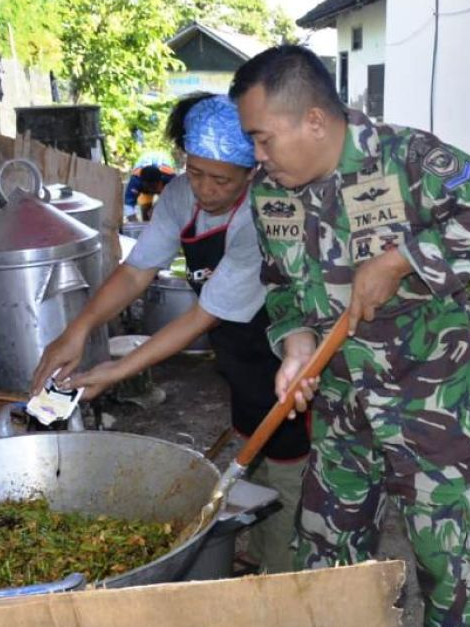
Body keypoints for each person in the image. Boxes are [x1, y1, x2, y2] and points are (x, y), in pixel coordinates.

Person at [230, 45, 470, 627]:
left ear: (313, 120)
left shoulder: (407, 160)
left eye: (262, 137)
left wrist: (401, 260)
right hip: (341, 419)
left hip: (431, 413)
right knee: (326, 560)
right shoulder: (267, 195)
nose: (257, 155)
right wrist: (296, 347)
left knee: (448, 569)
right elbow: (280, 287)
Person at [31, 93, 308, 574]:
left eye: (220, 179)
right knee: (251, 449)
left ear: (251, 172)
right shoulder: (182, 194)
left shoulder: (262, 215)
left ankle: (283, 572)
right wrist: (78, 329)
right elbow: (138, 270)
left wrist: (116, 370)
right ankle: (258, 556)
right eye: (195, 171)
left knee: (288, 466)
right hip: (238, 356)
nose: (204, 188)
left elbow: (204, 315)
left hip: (282, 352)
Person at [124, 151, 177, 221]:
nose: (152, 191)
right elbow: (128, 205)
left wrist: (157, 206)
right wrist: (134, 222)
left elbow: (178, 200)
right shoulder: (135, 181)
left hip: (163, 183)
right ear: (142, 184)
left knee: (164, 210)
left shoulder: (170, 178)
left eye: (154, 188)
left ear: (161, 181)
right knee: (146, 211)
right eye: (149, 188)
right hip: (146, 188)